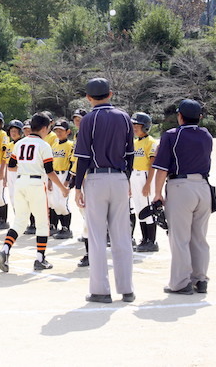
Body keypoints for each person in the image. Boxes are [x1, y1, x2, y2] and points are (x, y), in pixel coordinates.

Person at [74, 78, 135, 304]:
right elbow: (130, 153)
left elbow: (82, 157)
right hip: (119, 177)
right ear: (110, 94)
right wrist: (126, 179)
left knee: (97, 237)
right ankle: (127, 289)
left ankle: (101, 290)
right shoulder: (124, 117)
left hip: (96, 178)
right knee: (121, 236)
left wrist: (78, 186)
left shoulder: (89, 120)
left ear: (88, 98)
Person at [0, 113, 70, 272]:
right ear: (44, 128)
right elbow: (50, 171)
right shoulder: (44, 145)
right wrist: (62, 188)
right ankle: (40, 259)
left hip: (20, 181)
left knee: (19, 222)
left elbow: (11, 165)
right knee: (43, 223)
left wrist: (26, 168)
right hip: (36, 183)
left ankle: (5, 250)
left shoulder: (20, 143)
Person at [153, 99, 213, 295]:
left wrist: (157, 193)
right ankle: (200, 279)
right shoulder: (206, 135)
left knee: (180, 238)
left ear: (180, 116)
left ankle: (180, 282)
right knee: (199, 237)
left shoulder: (171, 135)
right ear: (200, 117)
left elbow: (162, 169)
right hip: (203, 187)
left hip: (181, 186)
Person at [130, 112, 159, 253]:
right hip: (134, 176)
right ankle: (144, 239)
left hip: (145, 176)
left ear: (145, 126)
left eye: (137, 125)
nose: (134, 128)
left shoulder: (151, 142)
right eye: (133, 125)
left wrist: (148, 184)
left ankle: (152, 241)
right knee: (139, 209)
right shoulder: (135, 142)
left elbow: (153, 164)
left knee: (147, 209)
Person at [70, 109, 89, 267]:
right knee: (84, 212)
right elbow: (77, 160)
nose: (77, 121)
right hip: (82, 175)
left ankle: (90, 253)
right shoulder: (77, 136)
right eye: (75, 119)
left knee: (89, 216)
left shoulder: (90, 134)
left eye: (80, 119)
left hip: (93, 177)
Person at [49, 119, 75, 239]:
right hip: (55, 175)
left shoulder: (70, 145)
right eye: (57, 130)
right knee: (55, 203)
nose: (58, 133)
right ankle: (60, 227)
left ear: (68, 131)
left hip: (64, 174)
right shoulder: (54, 145)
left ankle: (66, 228)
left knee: (62, 202)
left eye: (61, 130)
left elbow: (72, 163)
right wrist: (50, 179)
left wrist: (68, 180)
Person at [21, 119, 37, 236]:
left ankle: (38, 224)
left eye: (29, 129)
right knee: (26, 201)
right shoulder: (21, 143)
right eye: (25, 130)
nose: (27, 132)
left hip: (36, 176)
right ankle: (31, 224)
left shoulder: (38, 143)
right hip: (24, 176)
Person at [5, 119, 24, 209]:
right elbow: (6, 162)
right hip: (10, 173)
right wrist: (5, 177)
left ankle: (29, 222)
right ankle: (18, 221)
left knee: (21, 197)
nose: (13, 133)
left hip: (19, 173)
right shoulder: (9, 145)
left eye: (16, 131)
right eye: (11, 131)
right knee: (12, 197)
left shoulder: (23, 144)